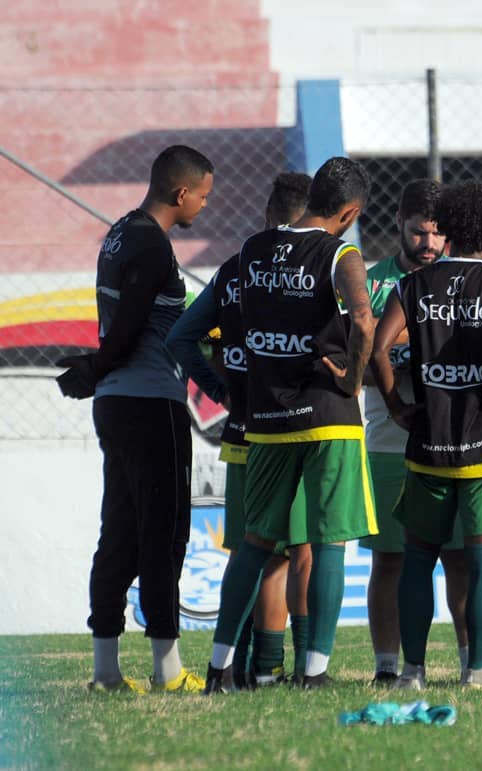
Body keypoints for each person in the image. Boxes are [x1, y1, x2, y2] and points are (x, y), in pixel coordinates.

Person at [203, 156, 378, 692]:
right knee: (327, 544)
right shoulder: (339, 253)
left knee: (255, 543)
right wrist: (352, 378)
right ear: (347, 211)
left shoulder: (250, 252)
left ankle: (218, 668)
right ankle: (314, 672)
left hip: (267, 417)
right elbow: (365, 321)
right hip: (327, 417)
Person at [57, 145, 214, 693]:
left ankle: (106, 670)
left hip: (117, 402)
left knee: (119, 531)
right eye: (202, 196)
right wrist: (97, 365)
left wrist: (97, 371)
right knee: (164, 534)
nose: (203, 206)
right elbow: (128, 324)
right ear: (181, 192)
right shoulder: (152, 242)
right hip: (151, 401)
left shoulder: (122, 231)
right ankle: (167, 670)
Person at [370, 180, 482, 691]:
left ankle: (411, 672)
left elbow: (377, 351)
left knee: (417, 558)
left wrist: (399, 408)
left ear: (450, 231)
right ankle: (476, 671)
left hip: (429, 439)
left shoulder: (410, 286)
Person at [166, 172, 313, 688]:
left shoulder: (235, 270)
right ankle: (280, 669)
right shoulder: (314, 268)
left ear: (267, 214)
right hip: (295, 429)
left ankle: (243, 668)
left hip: (242, 434)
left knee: (254, 552)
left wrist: (220, 389)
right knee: (296, 554)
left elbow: (182, 337)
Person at [359, 178, 470, 685]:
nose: (428, 244)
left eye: (436, 234)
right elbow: (353, 364)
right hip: (387, 440)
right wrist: (399, 355)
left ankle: (473, 662)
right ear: (398, 227)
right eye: (418, 232)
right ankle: (387, 667)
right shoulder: (370, 283)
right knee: (390, 561)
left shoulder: (461, 282)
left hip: (453, 439)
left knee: (459, 558)